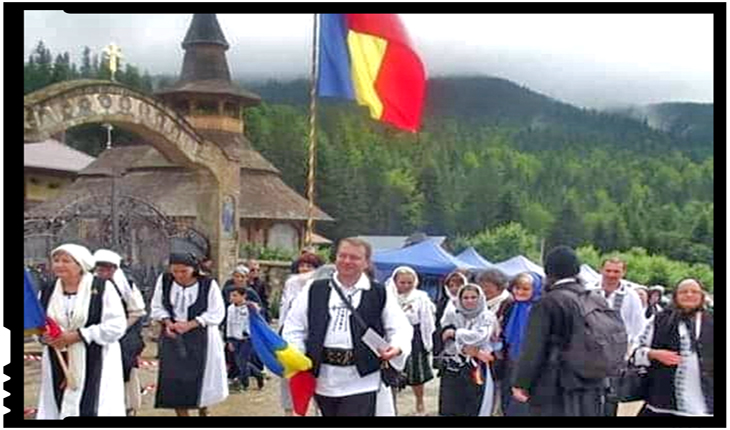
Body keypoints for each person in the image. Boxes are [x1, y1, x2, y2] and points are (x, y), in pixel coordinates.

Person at [282, 237, 413, 416]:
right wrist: (297, 355)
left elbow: (400, 327)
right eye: (342, 256)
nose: (347, 261)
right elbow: (294, 326)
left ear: (366, 262)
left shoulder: (378, 292)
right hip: (324, 378)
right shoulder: (314, 289)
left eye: (354, 257)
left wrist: (397, 347)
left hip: (362, 378)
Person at [512, 245, 607, 417]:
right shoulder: (596, 299)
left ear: (549, 270)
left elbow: (534, 348)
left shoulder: (547, 302)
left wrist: (522, 382)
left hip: (554, 384)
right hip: (592, 382)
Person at [36, 244, 127, 419]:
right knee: (58, 402)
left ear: (80, 265)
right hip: (58, 358)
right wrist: (45, 336)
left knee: (93, 404)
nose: (59, 265)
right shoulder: (48, 289)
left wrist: (79, 335)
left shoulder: (102, 288)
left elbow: (116, 326)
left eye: (65, 261)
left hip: (96, 358)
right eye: (56, 260)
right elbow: (40, 323)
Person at [150, 252, 228, 416]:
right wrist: (168, 322)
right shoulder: (164, 281)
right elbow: (157, 305)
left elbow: (217, 312)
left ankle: (203, 409)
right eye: (175, 271)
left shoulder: (208, 284)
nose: (179, 275)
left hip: (202, 337)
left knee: (200, 380)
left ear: (193, 269)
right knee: (174, 379)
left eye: (183, 271)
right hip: (173, 336)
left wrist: (191, 324)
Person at [634, 279, 713, 416]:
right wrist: (653, 354)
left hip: (704, 404)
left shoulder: (712, 321)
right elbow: (635, 351)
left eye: (694, 292)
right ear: (675, 296)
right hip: (662, 403)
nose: (689, 295)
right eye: (684, 292)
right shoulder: (659, 319)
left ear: (702, 296)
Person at [93, 249, 147, 416]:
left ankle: (128, 408)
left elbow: (137, 311)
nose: (104, 273)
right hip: (96, 336)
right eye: (100, 269)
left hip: (124, 338)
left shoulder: (126, 284)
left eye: (108, 269)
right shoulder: (91, 285)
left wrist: (118, 329)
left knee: (125, 371)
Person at [589, 257, 645, 416]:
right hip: (588, 354)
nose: (612, 275)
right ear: (601, 270)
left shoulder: (631, 296)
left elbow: (638, 328)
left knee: (611, 399)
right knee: (588, 397)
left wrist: (629, 353)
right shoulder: (589, 290)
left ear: (623, 272)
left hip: (616, 356)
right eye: (608, 270)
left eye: (616, 271)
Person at [438, 283, 498, 416]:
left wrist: (456, 334)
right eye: (465, 297)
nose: (469, 301)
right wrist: (465, 349)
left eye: (473, 297)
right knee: (451, 407)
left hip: (478, 367)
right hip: (454, 367)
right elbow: (445, 342)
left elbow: (480, 337)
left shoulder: (487, 316)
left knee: (475, 405)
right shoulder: (452, 315)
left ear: (480, 298)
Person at [279, 252, 324, 415]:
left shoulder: (322, 287)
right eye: (302, 265)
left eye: (309, 266)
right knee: (289, 377)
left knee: (317, 378)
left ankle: (318, 411)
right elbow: (284, 312)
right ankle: (289, 412)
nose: (304, 269)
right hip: (290, 336)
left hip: (314, 338)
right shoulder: (290, 285)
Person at [387, 266, 436, 416]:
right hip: (392, 336)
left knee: (416, 374)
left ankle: (419, 402)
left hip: (414, 336)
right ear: (395, 282)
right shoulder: (387, 295)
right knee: (392, 372)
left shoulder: (421, 297)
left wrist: (427, 341)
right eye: (402, 282)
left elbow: (427, 320)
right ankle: (391, 405)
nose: (406, 286)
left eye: (409, 282)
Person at [500, 272, 543, 416]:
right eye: (517, 288)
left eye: (525, 289)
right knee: (507, 400)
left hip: (529, 362)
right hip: (510, 360)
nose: (520, 292)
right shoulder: (510, 307)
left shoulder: (539, 309)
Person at [475, 268, 511, 414]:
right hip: (482, 355)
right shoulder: (481, 304)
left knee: (497, 392)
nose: (483, 289)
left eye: (487, 286)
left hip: (500, 356)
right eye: (481, 286)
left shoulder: (508, 303)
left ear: (499, 286)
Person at [224, 287, 261, 392]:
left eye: (235, 295)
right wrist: (229, 340)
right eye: (231, 295)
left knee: (241, 361)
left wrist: (255, 308)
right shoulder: (230, 308)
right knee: (240, 362)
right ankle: (258, 375)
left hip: (247, 339)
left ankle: (244, 384)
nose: (232, 298)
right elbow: (229, 324)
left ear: (243, 296)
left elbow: (258, 319)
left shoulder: (250, 307)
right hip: (235, 338)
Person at [432, 271, 468, 371]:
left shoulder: (470, 301)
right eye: (451, 285)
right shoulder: (444, 302)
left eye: (458, 285)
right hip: (446, 343)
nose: (454, 288)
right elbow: (438, 322)